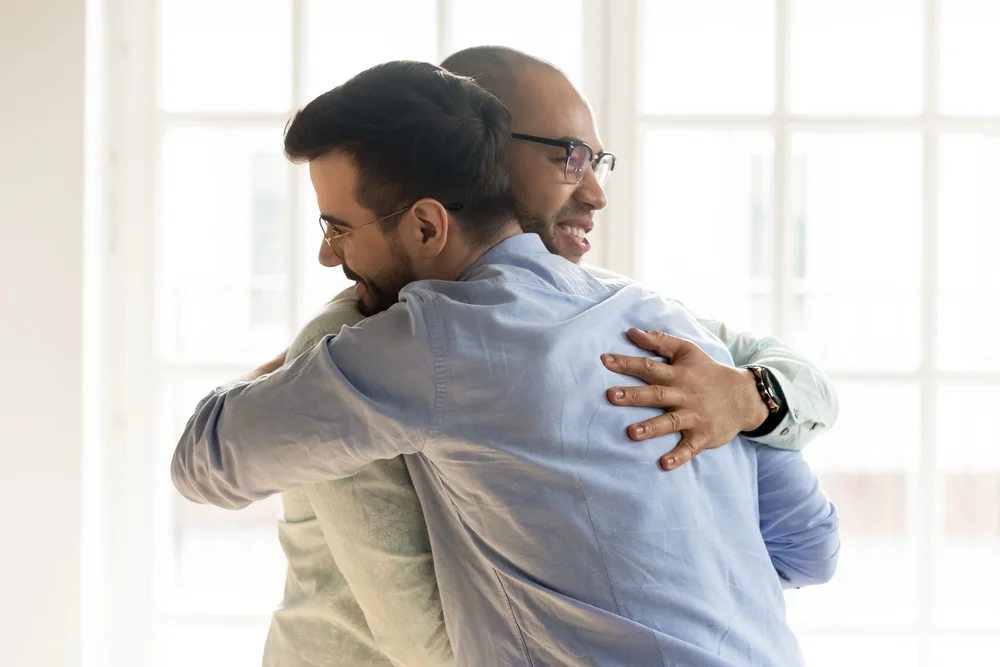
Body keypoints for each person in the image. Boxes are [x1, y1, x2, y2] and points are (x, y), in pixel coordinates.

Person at [172, 60, 839, 667]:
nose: (327, 255)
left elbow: (203, 460)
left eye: (337, 227)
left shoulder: (423, 345)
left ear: (427, 226)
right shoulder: (674, 328)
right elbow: (810, 548)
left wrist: (304, 352)